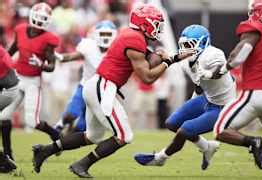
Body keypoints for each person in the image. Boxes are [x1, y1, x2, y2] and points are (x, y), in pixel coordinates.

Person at [32, 4, 190, 178]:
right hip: (103, 87)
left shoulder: (132, 35)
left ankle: (45, 151)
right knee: (124, 135)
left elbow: (148, 61)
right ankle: (81, 164)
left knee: (92, 136)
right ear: (145, 24)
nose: (158, 28)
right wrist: (169, 61)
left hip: (98, 86)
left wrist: (160, 56)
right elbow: (147, 76)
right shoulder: (135, 39)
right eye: (155, 24)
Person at [134, 25, 236, 170]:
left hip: (223, 105)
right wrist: (167, 57)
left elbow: (220, 69)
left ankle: (161, 158)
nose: (185, 50)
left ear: (202, 43)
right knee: (172, 123)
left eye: (189, 45)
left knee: (185, 129)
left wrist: (209, 73)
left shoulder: (212, 54)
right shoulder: (188, 61)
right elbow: (198, 84)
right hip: (207, 99)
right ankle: (206, 147)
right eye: (183, 46)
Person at [213, 0, 262, 170]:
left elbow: (240, 56)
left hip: (255, 94)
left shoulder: (256, 28)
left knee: (221, 129)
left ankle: (253, 142)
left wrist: (223, 69)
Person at [8, 3, 60, 142]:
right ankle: (8, 153)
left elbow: (52, 66)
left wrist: (41, 65)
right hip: (17, 78)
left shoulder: (49, 39)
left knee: (32, 121)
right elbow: (11, 51)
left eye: (43, 18)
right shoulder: (20, 30)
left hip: (32, 82)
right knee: (4, 115)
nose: (39, 21)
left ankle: (55, 134)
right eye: (38, 17)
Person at [54, 20, 117, 134]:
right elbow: (73, 56)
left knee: (83, 127)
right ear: (96, 35)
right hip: (85, 86)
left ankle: (64, 139)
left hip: (102, 93)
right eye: (103, 34)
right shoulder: (89, 45)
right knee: (70, 115)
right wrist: (61, 57)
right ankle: (60, 126)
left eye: (108, 34)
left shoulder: (118, 49)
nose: (105, 37)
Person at [0, 45, 18, 172]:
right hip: (7, 87)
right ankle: (5, 160)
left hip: (7, 90)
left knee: (5, 118)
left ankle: (4, 161)